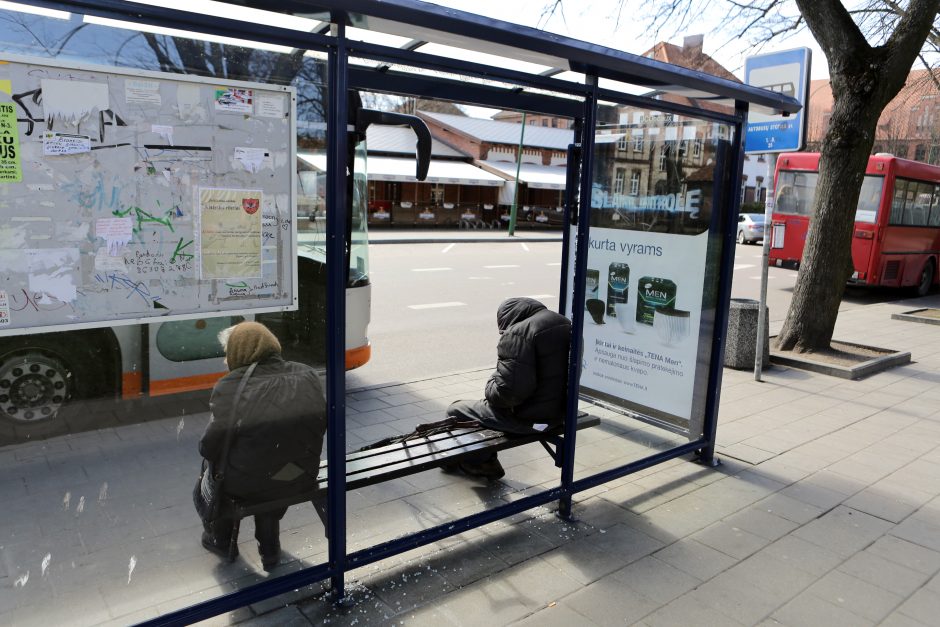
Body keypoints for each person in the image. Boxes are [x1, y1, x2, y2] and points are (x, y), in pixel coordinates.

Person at [197, 321, 326, 571]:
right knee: (274, 465)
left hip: (251, 484)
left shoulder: (231, 386)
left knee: (216, 466)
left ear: (239, 352)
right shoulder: (307, 373)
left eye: (228, 352)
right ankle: (270, 549)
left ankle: (220, 540)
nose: (226, 359)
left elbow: (208, 447)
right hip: (301, 473)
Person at [446, 297, 571, 480]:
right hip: (560, 415)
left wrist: (491, 385)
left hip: (529, 419)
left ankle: (482, 462)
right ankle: (479, 458)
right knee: (480, 410)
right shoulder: (564, 323)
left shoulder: (518, 334)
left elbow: (507, 394)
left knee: (457, 410)